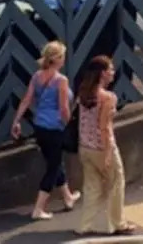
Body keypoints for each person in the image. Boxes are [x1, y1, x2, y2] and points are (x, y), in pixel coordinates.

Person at [11, 41, 81, 220]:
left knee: (55, 162)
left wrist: (16, 120)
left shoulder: (37, 76)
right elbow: (64, 109)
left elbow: (26, 100)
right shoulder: (61, 80)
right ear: (57, 59)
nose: (64, 59)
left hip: (40, 127)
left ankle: (68, 197)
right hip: (55, 128)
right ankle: (38, 209)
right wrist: (71, 126)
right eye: (62, 56)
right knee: (53, 167)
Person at [75, 56, 135, 236]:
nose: (113, 72)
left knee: (92, 186)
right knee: (116, 182)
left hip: (85, 146)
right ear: (102, 73)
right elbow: (104, 126)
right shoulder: (108, 97)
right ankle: (117, 223)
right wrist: (108, 152)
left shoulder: (84, 92)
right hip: (102, 147)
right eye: (110, 69)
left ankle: (84, 225)